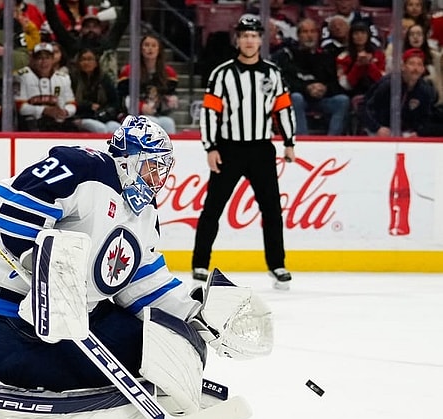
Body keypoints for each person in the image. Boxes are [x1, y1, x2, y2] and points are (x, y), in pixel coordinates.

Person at [0, 114, 207, 399]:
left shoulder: (145, 215)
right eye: (151, 167)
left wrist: (194, 316)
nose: (157, 179)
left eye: (161, 170)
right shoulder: (84, 167)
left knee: (171, 345)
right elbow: (13, 211)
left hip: (80, 320)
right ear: (128, 158)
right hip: (8, 323)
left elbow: (144, 284)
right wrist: (43, 269)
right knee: (145, 358)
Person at [192, 17, 296, 289]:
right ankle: (200, 263)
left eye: (254, 35)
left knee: (272, 209)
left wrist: (289, 141)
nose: (249, 40)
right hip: (229, 148)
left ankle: (277, 265)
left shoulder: (273, 73)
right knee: (213, 207)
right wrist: (210, 147)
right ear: (237, 39)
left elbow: (283, 108)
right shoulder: (222, 74)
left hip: (261, 149)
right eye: (245, 35)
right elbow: (210, 113)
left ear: (261, 39)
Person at [273, 18, 350, 135]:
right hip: (300, 99)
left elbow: (335, 83)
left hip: (322, 99)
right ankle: (302, 139)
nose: (309, 36)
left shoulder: (327, 55)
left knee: (342, 101)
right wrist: (307, 88)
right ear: (298, 35)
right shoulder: (288, 54)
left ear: (318, 34)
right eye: (305, 32)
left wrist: (325, 88)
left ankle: (332, 140)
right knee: (296, 97)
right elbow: (286, 81)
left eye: (313, 31)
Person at [361, 49, 438, 137]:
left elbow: (427, 118)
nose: (415, 68)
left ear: (423, 69)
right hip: (380, 130)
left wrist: (419, 132)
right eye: (411, 64)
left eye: (419, 65)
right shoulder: (388, 85)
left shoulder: (425, 90)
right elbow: (365, 107)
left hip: (407, 133)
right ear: (403, 66)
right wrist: (377, 128)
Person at [116, 34, 179, 135]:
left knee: (168, 123)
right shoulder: (129, 71)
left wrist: (170, 101)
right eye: (146, 45)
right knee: (153, 122)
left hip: (156, 113)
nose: (150, 49)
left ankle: (169, 149)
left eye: (154, 46)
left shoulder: (168, 73)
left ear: (159, 50)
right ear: (140, 49)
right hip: (133, 114)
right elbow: (122, 97)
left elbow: (170, 95)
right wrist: (140, 107)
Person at [15, 42, 77, 132]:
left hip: (58, 122)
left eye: (47, 58)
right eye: (39, 58)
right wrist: (45, 110)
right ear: (33, 59)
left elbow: (71, 104)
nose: (44, 62)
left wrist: (65, 112)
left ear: (52, 59)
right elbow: (20, 107)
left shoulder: (63, 77)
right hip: (31, 122)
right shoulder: (21, 76)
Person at [70, 47, 122, 133]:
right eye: (83, 59)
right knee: (101, 129)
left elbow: (114, 102)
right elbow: (71, 101)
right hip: (82, 116)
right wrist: (89, 106)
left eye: (90, 59)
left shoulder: (104, 79)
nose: (86, 62)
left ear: (96, 62)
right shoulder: (73, 79)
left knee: (117, 129)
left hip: (102, 116)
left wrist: (106, 111)